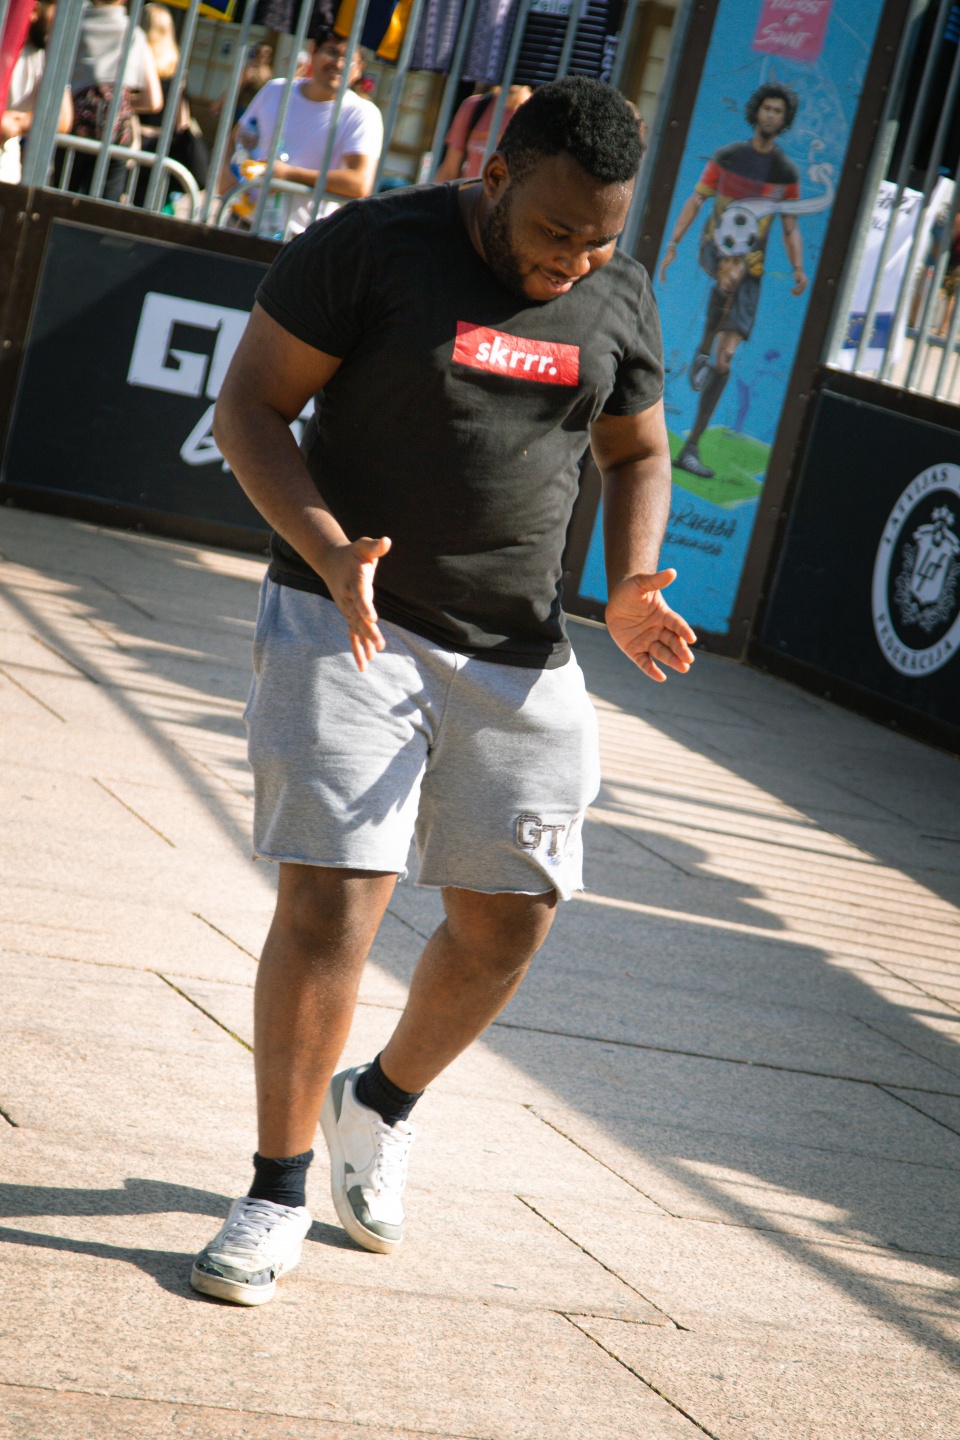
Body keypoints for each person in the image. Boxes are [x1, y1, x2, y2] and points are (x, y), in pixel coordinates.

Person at [192, 76, 695, 1307]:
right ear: (495, 178)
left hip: (517, 648)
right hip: (348, 618)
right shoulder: (369, 247)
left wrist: (633, 578)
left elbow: (638, 449)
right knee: (335, 900)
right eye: (554, 232)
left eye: (600, 240)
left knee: (512, 920)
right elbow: (251, 405)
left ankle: (380, 1102)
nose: (573, 261)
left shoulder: (617, 294)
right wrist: (327, 553)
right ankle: (273, 1192)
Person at [659, 82, 809, 479]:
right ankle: (702, 349)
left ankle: (691, 448)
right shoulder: (728, 156)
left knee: (726, 358)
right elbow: (697, 199)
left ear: (784, 120)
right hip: (716, 248)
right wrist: (673, 244)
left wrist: (798, 268)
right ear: (756, 111)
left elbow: (789, 227)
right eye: (767, 109)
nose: (771, 116)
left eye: (778, 112)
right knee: (732, 267)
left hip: (752, 269)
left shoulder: (785, 172)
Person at [215, 23, 382, 236]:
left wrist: (288, 175)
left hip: (304, 239)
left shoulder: (363, 113)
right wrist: (225, 173)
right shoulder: (275, 89)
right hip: (240, 223)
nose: (339, 64)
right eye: (332, 52)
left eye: (349, 58)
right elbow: (236, 138)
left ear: (359, 69)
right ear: (313, 51)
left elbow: (359, 183)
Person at [65, 0, 162, 202]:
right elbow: (153, 101)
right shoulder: (134, 35)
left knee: (58, 200)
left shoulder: (72, 27)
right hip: (116, 135)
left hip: (73, 128)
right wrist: (117, 101)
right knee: (103, 210)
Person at [134, 3, 209, 206]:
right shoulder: (176, 67)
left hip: (136, 143)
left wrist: (128, 104)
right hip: (164, 148)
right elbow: (182, 121)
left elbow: (153, 104)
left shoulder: (138, 62)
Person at [0, 1, 71, 185]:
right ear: (35, 10)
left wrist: (17, 121)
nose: (58, 20)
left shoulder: (44, 55)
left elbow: (62, 119)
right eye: (55, 10)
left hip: (7, 163)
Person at [435, 83, 532, 181]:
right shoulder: (474, 106)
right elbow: (449, 170)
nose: (511, 84)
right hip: (471, 190)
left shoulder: (533, 115)